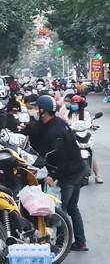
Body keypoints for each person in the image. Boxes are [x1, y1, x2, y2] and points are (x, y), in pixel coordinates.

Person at [24, 95, 89, 251]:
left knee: (60, 209)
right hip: (78, 169)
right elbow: (35, 133)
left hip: (70, 173)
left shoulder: (56, 131)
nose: (32, 111)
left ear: (42, 111)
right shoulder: (52, 122)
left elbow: (63, 159)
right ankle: (80, 242)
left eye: (34, 108)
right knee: (73, 207)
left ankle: (60, 245)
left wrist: (53, 176)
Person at [64, 96, 103, 183]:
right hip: (72, 135)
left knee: (90, 152)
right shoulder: (67, 114)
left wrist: (93, 126)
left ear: (80, 105)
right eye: (72, 103)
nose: (74, 105)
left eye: (76, 103)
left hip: (84, 134)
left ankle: (97, 175)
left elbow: (89, 123)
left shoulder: (86, 114)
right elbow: (65, 123)